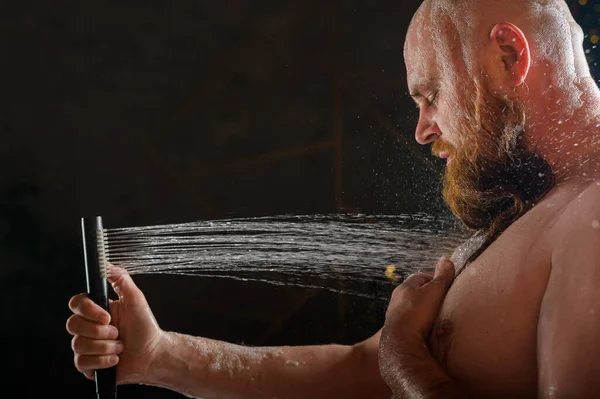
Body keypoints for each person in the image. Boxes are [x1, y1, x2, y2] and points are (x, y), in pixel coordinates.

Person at [66, 0, 600, 397]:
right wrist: (161, 356)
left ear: (508, 54)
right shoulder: (544, 210)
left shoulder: (592, 216)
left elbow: (388, 367)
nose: (422, 129)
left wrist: (404, 359)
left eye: (431, 93)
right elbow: (358, 373)